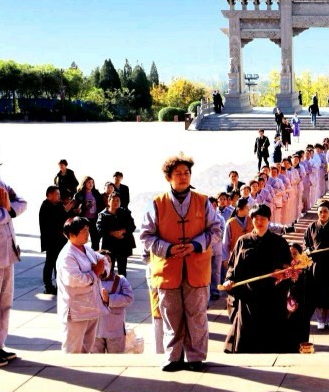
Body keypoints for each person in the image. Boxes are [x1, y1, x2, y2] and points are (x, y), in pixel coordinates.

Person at [140, 155, 223, 371]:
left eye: (186, 173)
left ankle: (196, 357)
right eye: (178, 173)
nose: (183, 177)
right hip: (168, 270)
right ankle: (173, 357)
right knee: (171, 314)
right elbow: (146, 236)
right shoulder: (156, 204)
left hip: (196, 268)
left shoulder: (203, 201)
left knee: (196, 315)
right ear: (168, 177)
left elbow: (216, 230)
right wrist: (167, 248)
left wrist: (196, 245)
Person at [222, 204, 294, 353]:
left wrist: (284, 274)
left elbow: (290, 270)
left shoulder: (279, 242)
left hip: (272, 297)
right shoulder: (243, 241)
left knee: (272, 340)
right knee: (247, 339)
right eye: (255, 218)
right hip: (248, 297)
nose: (259, 221)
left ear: (268, 220)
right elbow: (232, 267)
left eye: (263, 218)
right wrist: (229, 280)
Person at [0, 142, 27, 367]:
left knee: (4, 303)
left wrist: (8, 209)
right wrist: (4, 210)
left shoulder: (0, 183)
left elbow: (22, 203)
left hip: (6, 252)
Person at [57, 217, 107, 354]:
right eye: (84, 230)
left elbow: (103, 261)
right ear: (72, 234)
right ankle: (69, 374)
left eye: (88, 230)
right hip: (76, 310)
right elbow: (73, 279)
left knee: (87, 346)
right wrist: (94, 273)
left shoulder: (86, 249)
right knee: (73, 348)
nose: (87, 233)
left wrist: (102, 272)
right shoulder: (67, 255)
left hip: (92, 306)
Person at [303, 200, 329, 331]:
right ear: (317, 213)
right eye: (320, 212)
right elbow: (306, 244)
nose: (323, 214)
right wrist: (308, 250)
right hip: (317, 265)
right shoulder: (311, 227)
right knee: (318, 291)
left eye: (325, 211)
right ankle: (320, 319)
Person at [93, 253, 134, 354]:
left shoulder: (120, 280)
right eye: (102, 261)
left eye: (108, 261)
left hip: (115, 330)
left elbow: (129, 297)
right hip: (94, 331)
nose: (106, 264)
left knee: (116, 360)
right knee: (95, 362)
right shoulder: (90, 280)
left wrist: (109, 299)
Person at [39, 186, 74, 295]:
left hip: (61, 240)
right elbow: (53, 221)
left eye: (59, 194)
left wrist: (69, 211)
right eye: (57, 194)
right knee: (50, 263)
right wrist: (65, 210)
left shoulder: (58, 205)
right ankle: (48, 286)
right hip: (51, 240)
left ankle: (60, 285)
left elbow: (64, 219)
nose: (59, 196)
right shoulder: (45, 206)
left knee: (59, 264)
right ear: (49, 195)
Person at [96, 192, 136, 276]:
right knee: (109, 269)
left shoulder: (125, 212)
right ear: (108, 201)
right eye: (114, 201)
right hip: (109, 246)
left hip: (123, 244)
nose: (116, 202)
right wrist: (112, 233)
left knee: (122, 270)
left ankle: (123, 287)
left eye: (118, 200)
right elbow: (99, 228)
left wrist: (123, 231)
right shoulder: (103, 215)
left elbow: (132, 226)